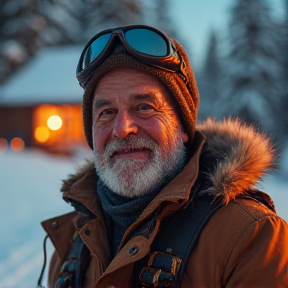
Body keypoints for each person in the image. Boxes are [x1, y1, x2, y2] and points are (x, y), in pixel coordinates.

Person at [41, 25, 288, 288]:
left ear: (181, 126)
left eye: (144, 107)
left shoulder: (251, 238)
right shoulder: (69, 242)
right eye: (106, 112)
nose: (122, 129)